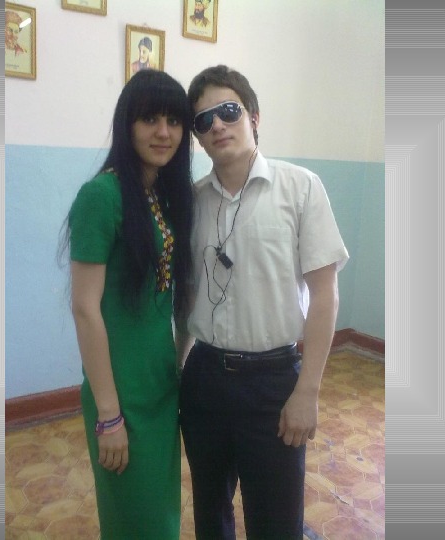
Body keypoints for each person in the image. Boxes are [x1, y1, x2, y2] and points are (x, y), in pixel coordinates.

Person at [178, 65, 349, 539]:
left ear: (254, 117)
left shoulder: (300, 188)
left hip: (273, 382)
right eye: (204, 120)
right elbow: (186, 298)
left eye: (228, 111)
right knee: (210, 511)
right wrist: (177, 370)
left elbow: (324, 295)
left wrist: (307, 392)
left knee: (276, 522)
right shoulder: (193, 202)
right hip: (205, 379)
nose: (217, 125)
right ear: (199, 137)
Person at [64, 69, 194, 539]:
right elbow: (85, 308)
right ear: (127, 125)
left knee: (161, 513)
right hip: (120, 393)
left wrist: (178, 366)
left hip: (160, 384)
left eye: (174, 121)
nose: (163, 132)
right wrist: (109, 414)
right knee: (134, 520)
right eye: (149, 119)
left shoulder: (163, 194)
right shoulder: (101, 196)